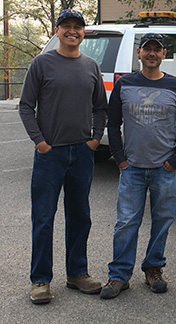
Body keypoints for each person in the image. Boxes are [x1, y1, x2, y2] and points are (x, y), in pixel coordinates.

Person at [19, 9, 107, 304]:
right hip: (50, 154)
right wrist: (41, 142)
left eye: (77, 27)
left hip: (82, 153)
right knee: (43, 217)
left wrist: (94, 140)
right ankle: (40, 280)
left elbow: (100, 108)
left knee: (80, 215)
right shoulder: (42, 64)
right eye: (66, 26)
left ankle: (77, 273)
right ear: (57, 31)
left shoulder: (91, 66)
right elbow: (25, 106)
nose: (72, 31)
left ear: (83, 32)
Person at [100, 33, 176, 299]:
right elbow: (113, 123)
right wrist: (119, 157)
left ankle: (153, 269)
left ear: (164, 54)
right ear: (139, 53)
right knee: (127, 222)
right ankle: (119, 275)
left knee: (162, 221)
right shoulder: (125, 84)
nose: (152, 53)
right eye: (147, 49)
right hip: (132, 169)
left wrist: (175, 160)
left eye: (157, 49)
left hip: (164, 169)